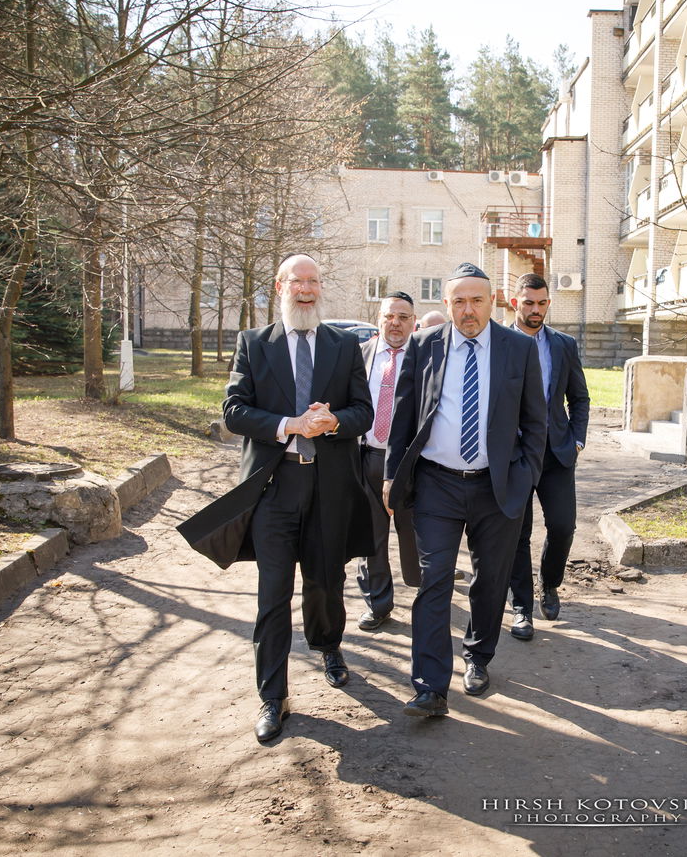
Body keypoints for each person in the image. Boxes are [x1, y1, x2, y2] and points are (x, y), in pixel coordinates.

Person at [219, 254, 373, 743]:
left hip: (329, 487)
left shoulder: (343, 345)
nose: (306, 290)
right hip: (275, 488)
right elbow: (234, 411)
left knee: (326, 581)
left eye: (313, 282)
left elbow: (364, 412)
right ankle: (273, 696)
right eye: (297, 281)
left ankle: (328, 645)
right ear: (280, 286)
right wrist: (290, 425)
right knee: (273, 595)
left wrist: (334, 421)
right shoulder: (253, 344)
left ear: (320, 288)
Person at [383, 263, 546, 716]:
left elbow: (536, 421)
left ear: (493, 302)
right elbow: (402, 414)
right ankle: (430, 687)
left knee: (490, 580)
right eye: (458, 301)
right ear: (446, 304)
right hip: (436, 483)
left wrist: (526, 476)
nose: (468, 310)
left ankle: (478, 655)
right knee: (433, 579)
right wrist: (392, 475)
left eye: (476, 300)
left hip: (497, 485)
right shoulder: (423, 345)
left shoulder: (518, 348)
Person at [505, 273, 590, 640]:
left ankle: (549, 584)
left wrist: (577, 441)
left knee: (562, 526)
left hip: (557, 454)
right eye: (529, 303)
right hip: (514, 455)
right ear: (515, 303)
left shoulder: (563, 344)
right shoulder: (499, 342)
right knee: (516, 533)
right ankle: (521, 607)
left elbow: (579, 398)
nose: (536, 310)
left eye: (542, 303)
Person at [356, 291, 421, 631]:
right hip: (367, 457)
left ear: (414, 322)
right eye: (389, 316)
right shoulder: (360, 355)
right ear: (379, 319)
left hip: (412, 465)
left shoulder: (427, 357)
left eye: (403, 317)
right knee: (372, 536)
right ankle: (378, 603)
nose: (395, 323)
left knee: (415, 535)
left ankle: (424, 592)